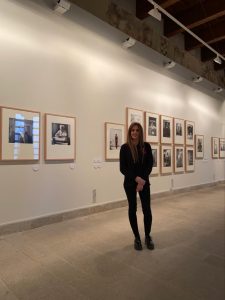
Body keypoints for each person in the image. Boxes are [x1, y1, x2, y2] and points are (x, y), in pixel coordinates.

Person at [120, 122, 154, 251]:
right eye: (132, 130)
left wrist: (142, 180)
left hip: (144, 183)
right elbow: (123, 168)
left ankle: (147, 236)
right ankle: (137, 238)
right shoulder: (124, 148)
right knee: (132, 209)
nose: (134, 132)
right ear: (129, 132)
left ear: (140, 132)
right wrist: (136, 179)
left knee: (147, 210)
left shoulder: (146, 146)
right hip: (130, 183)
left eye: (137, 130)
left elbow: (149, 165)